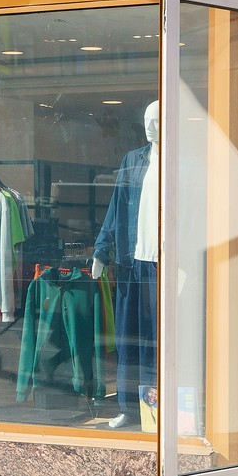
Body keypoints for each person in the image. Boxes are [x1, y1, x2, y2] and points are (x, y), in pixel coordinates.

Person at [91, 101, 160, 430]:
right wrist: (101, 251)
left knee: (159, 340)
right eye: (146, 120)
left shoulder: (183, 161)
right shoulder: (133, 161)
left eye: (157, 120)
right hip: (132, 264)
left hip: (164, 265)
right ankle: (128, 408)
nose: (150, 126)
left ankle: (158, 412)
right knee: (128, 339)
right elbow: (116, 208)